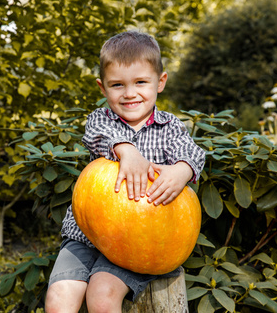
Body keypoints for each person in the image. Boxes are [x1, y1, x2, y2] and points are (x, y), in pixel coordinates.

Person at [45, 30, 206, 313]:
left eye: (141, 82)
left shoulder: (170, 128)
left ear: (161, 82)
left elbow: (193, 154)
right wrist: (126, 150)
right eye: (117, 85)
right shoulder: (101, 120)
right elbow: (96, 134)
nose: (129, 93)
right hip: (86, 236)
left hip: (141, 242)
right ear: (102, 87)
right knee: (58, 299)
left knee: (102, 297)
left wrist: (181, 172)